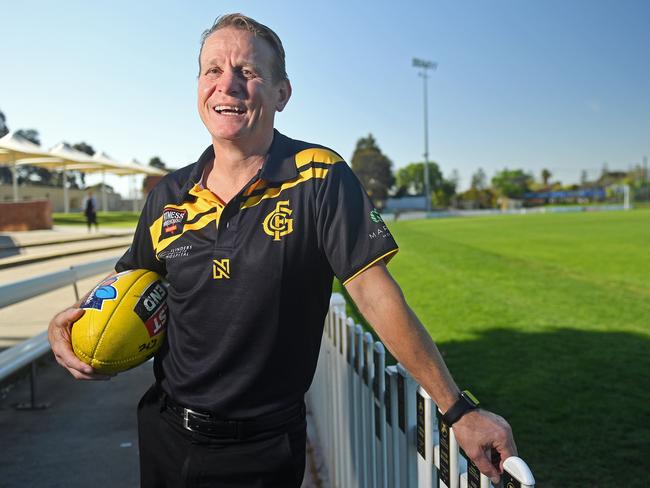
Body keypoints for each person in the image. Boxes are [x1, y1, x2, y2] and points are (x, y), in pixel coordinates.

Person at [48, 13, 517, 487]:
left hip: (263, 450)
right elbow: (129, 284)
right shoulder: (169, 194)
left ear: (281, 94)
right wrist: (74, 324)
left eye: (247, 73)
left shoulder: (318, 175)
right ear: (198, 87)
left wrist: (457, 409)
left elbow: (374, 294)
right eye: (212, 70)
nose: (226, 86)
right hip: (165, 432)